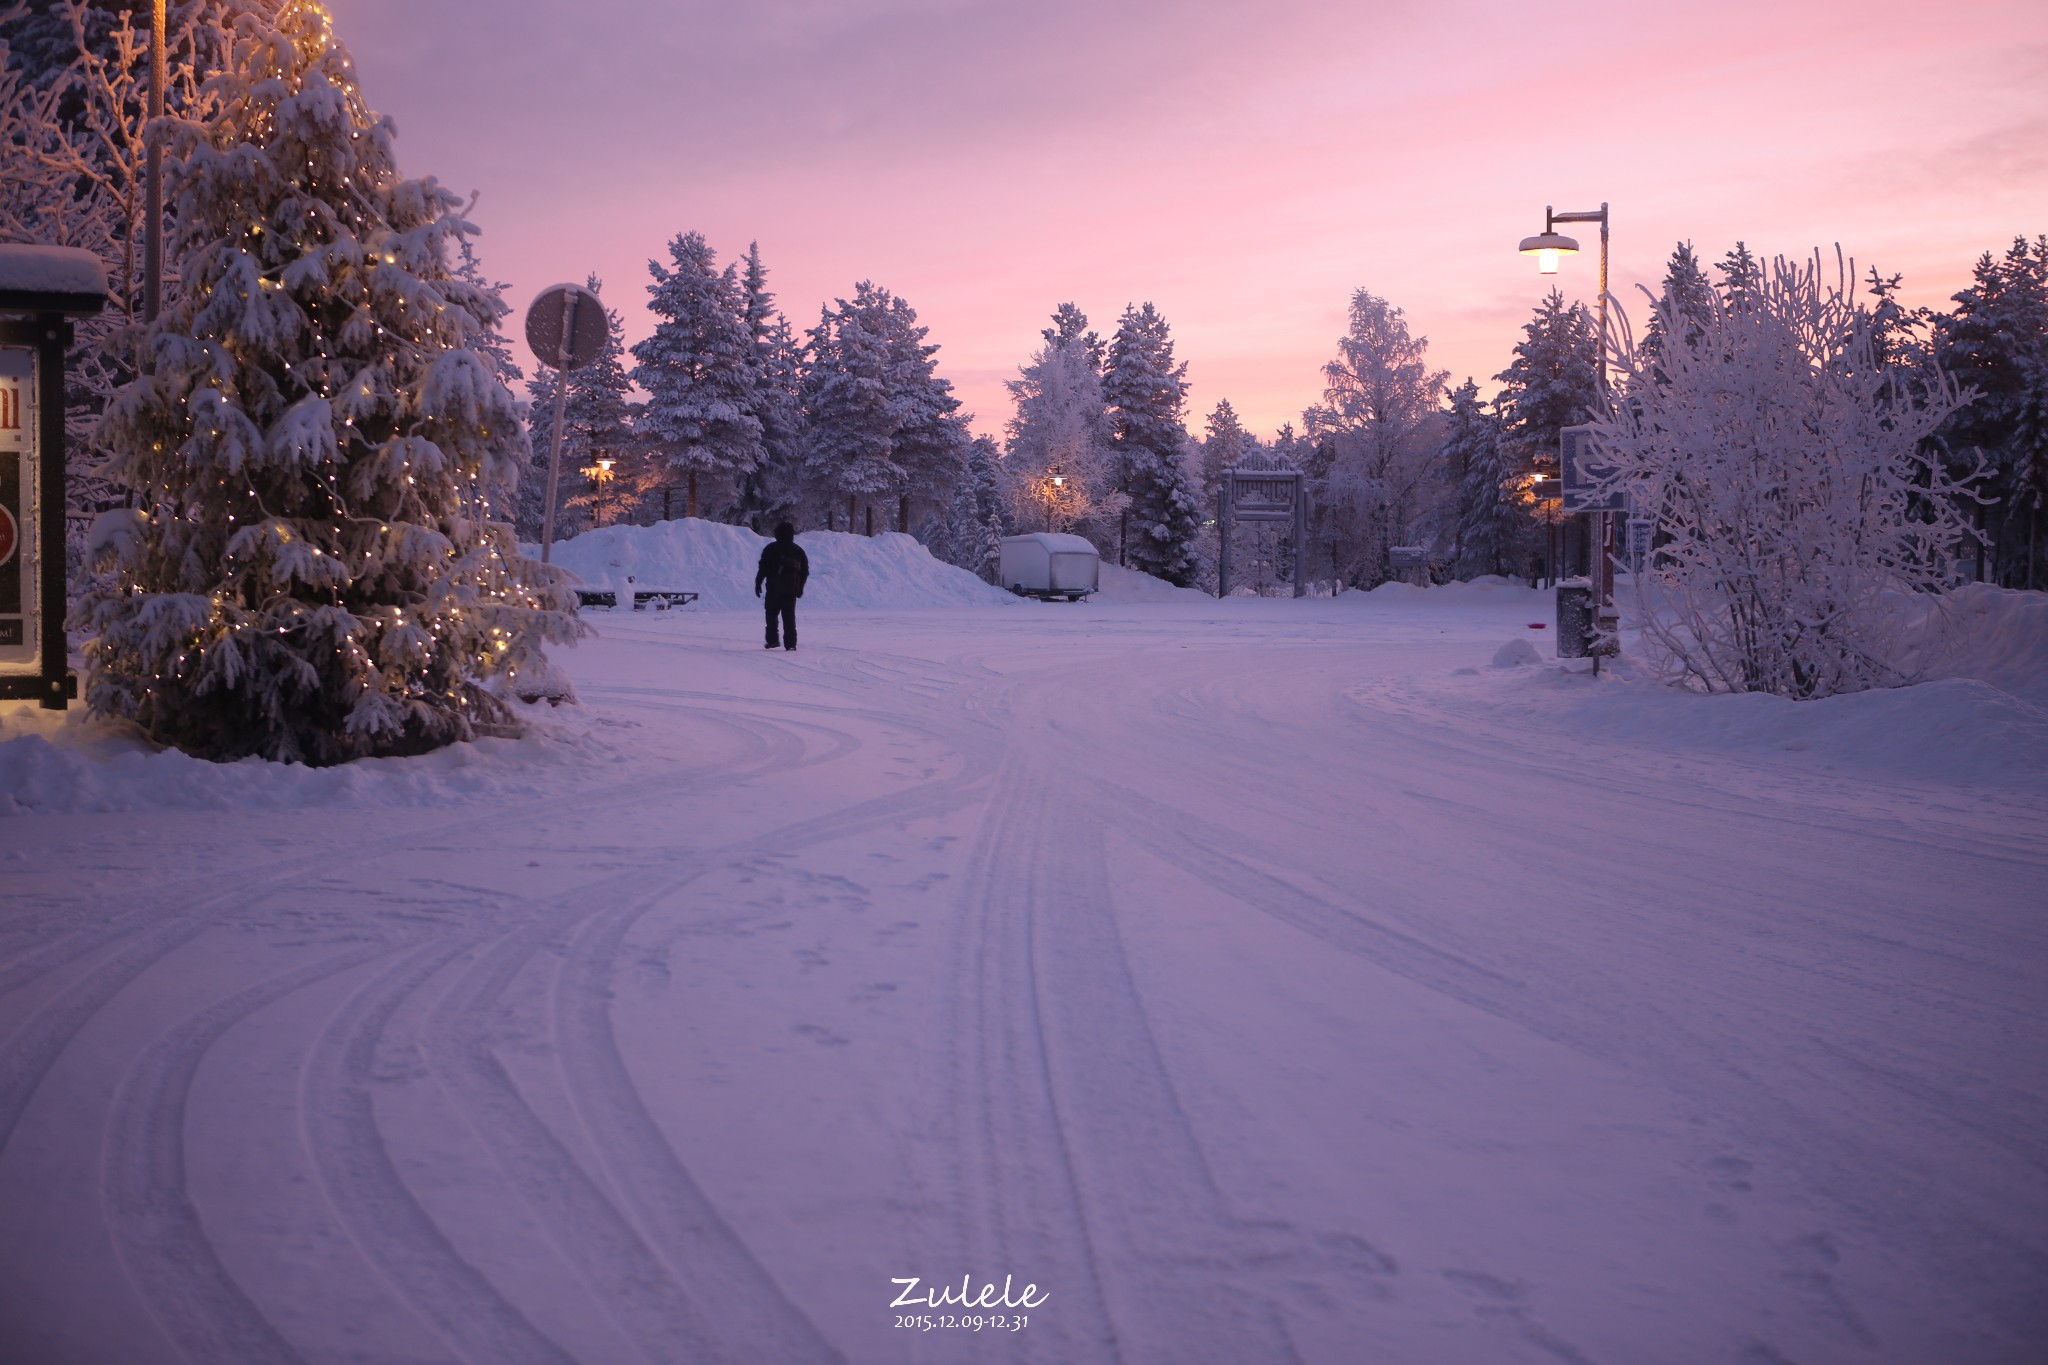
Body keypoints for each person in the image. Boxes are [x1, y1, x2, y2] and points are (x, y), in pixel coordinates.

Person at [755, 521, 809, 650]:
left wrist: (758, 583)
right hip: (791, 589)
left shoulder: (770, 549)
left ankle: (773, 640)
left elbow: (763, 568)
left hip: (774, 588)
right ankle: (790, 644)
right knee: (789, 616)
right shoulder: (798, 550)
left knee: (771, 614)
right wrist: (800, 587)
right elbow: (804, 571)